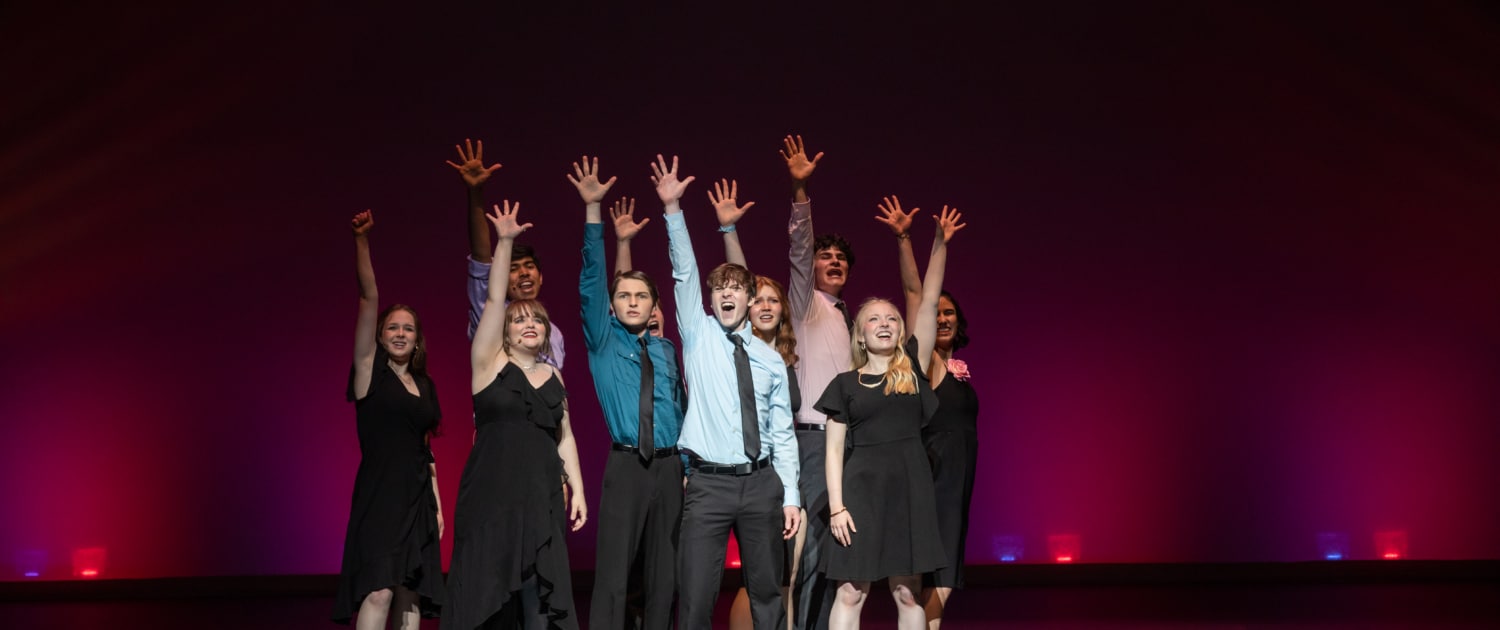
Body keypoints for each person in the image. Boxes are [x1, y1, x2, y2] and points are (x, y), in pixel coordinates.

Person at [656, 155, 800, 630]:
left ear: (750, 298)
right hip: (709, 485)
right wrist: (673, 210)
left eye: (736, 288)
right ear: (711, 300)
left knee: (766, 595)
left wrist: (791, 495)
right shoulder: (698, 336)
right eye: (719, 289)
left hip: (761, 485)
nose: (726, 294)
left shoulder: (769, 358)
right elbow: (684, 273)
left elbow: (782, 433)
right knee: (696, 597)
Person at [442, 202, 588, 630]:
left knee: (537, 596)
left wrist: (577, 489)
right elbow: (491, 297)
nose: (529, 324)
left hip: (541, 492)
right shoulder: (488, 363)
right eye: (519, 319)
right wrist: (503, 241)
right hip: (493, 491)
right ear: (504, 330)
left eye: (536, 321)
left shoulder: (553, 373)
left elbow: (565, 436)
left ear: (546, 332)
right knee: (488, 591)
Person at [819, 205, 964, 630]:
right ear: (860, 333)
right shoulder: (845, 384)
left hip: (910, 489)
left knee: (906, 590)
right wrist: (836, 507)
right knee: (851, 590)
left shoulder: (914, 372)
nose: (883, 324)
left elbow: (930, 298)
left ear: (900, 331)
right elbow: (832, 451)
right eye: (873, 320)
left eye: (891, 319)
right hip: (859, 492)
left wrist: (939, 243)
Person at [570, 156, 688, 630]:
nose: (633, 302)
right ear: (614, 307)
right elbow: (594, 281)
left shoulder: (665, 351)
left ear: (654, 306)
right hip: (626, 464)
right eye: (625, 297)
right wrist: (593, 213)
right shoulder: (603, 340)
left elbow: (676, 407)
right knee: (615, 574)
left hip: (670, 466)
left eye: (642, 296)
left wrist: (685, 467)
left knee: (665, 575)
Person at [334, 210, 446, 629]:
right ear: (380, 335)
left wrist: (436, 502)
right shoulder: (369, 374)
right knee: (379, 588)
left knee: (409, 591)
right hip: (381, 495)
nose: (400, 333)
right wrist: (361, 240)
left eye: (409, 329)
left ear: (418, 339)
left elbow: (425, 445)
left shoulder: (425, 384)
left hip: (418, 496)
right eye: (393, 328)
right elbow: (369, 298)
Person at [883, 198, 979, 630]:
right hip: (933, 479)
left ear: (959, 322)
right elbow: (915, 295)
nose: (940, 317)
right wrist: (911, 241)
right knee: (928, 583)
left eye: (948, 313)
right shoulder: (926, 364)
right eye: (937, 312)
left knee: (941, 584)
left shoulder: (958, 370)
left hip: (957, 483)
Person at [712, 178, 802, 630]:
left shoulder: (784, 358)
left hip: (786, 476)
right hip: (745, 475)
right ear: (746, 305)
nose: (765, 305)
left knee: (783, 578)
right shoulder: (729, 347)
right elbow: (737, 279)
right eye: (758, 299)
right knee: (755, 578)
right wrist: (730, 233)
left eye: (773, 299)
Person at [781, 135, 846, 630]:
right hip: (809, 442)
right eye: (827, 256)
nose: (833, 262)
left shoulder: (850, 318)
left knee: (834, 555)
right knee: (805, 553)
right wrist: (801, 192)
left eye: (840, 258)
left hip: (845, 445)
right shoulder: (804, 306)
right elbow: (799, 253)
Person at [447, 138, 566, 366]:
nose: (523, 274)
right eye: (513, 269)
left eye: (529, 267)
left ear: (540, 277)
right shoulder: (491, 315)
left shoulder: (555, 333)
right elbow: (482, 260)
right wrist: (475, 193)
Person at [608, 196, 667, 338]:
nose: (653, 313)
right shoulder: (624, 349)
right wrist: (623, 243)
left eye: (655, 308)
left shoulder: (668, 353)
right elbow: (624, 288)